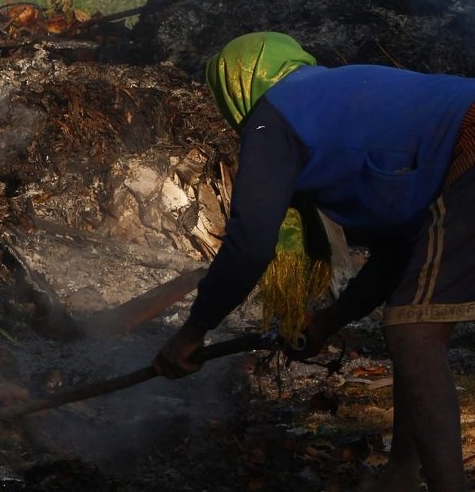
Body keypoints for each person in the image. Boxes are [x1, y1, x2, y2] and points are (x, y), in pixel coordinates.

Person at [154, 32, 475, 492]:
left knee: (414, 333)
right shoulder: (334, 106)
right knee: (411, 319)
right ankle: (401, 473)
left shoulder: (276, 114)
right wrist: (328, 321)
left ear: (235, 88)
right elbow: (397, 258)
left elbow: (249, 246)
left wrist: (192, 333)